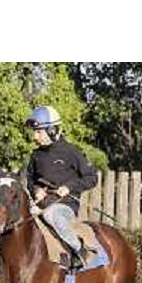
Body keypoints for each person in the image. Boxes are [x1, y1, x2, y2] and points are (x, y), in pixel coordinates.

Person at [25, 105, 98, 269]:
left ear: (52, 130)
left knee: (52, 214)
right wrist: (36, 190)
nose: (35, 137)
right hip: (40, 205)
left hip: (65, 206)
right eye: (34, 132)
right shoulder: (36, 156)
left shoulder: (71, 152)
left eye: (39, 132)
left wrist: (69, 187)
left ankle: (80, 250)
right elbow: (30, 179)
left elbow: (92, 177)